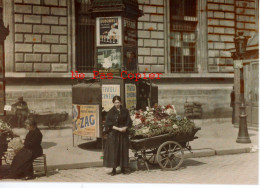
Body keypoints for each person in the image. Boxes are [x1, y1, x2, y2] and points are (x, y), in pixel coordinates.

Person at [103, 96, 132, 176]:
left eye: (118, 102)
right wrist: (118, 129)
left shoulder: (125, 111)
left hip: (123, 134)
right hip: (114, 134)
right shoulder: (111, 112)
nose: (117, 104)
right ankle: (114, 169)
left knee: (123, 150)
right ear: (113, 103)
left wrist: (125, 128)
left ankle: (123, 168)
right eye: (115, 102)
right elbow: (109, 124)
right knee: (114, 152)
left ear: (121, 102)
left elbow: (129, 121)